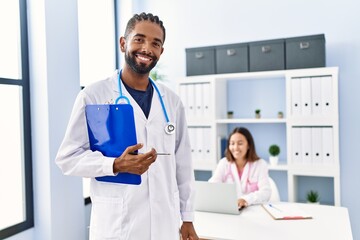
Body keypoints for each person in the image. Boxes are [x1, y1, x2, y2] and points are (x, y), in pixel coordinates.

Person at [55, 12, 199, 240]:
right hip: (118, 226)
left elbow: (183, 163)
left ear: (161, 52)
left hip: (164, 224)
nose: (147, 49)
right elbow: (67, 158)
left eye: (155, 43)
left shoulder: (171, 101)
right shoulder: (94, 96)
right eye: (139, 39)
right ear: (123, 43)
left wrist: (188, 217)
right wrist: (115, 164)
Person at [209, 127, 271, 208]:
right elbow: (212, 186)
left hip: (253, 209)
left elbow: (266, 192)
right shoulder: (224, 163)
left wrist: (246, 200)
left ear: (248, 145)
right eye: (232, 143)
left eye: (240, 143)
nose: (235, 148)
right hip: (230, 209)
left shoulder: (260, 164)